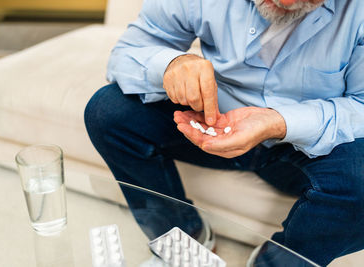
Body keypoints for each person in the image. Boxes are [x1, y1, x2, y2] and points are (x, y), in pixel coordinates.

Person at [84, 0, 364, 265]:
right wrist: (171, 65)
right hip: (212, 120)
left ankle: (278, 262)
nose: (286, 3)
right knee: (106, 112)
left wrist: (278, 122)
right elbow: (128, 52)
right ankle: (187, 239)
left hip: (305, 142)